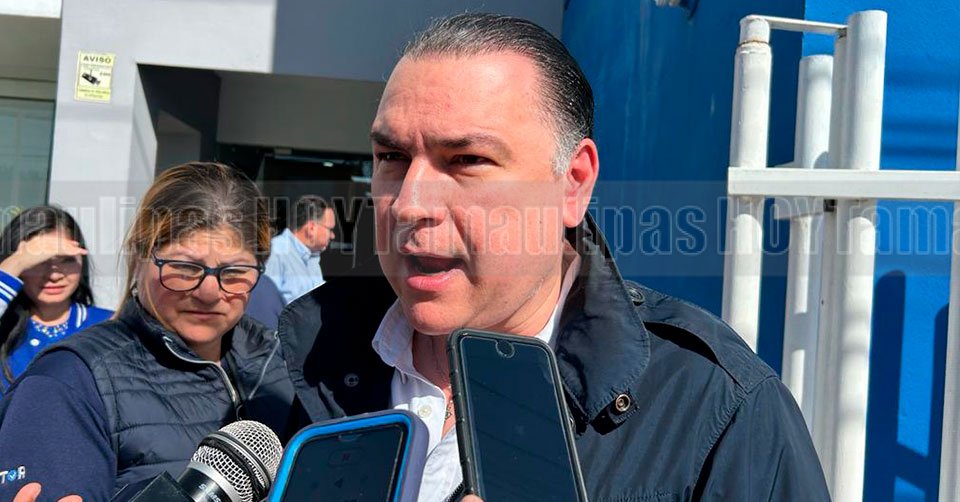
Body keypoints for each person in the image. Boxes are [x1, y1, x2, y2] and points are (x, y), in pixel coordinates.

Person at [275, 13, 830, 501]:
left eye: (466, 160)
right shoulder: (301, 359)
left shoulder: (718, 409)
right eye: (392, 156)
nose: (410, 204)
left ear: (573, 183)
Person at [0, 163, 295, 501]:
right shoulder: (67, 383)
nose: (209, 292)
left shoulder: (289, 365)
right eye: (184, 267)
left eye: (234, 271)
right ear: (140, 257)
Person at [0, 206, 112, 391]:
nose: (54, 275)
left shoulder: (109, 324)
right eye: (38, 261)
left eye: (67, 260)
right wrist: (15, 262)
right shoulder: (5, 325)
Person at [264, 195, 337, 303]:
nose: (332, 236)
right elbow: (265, 302)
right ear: (311, 228)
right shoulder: (277, 252)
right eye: (330, 229)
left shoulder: (312, 257)